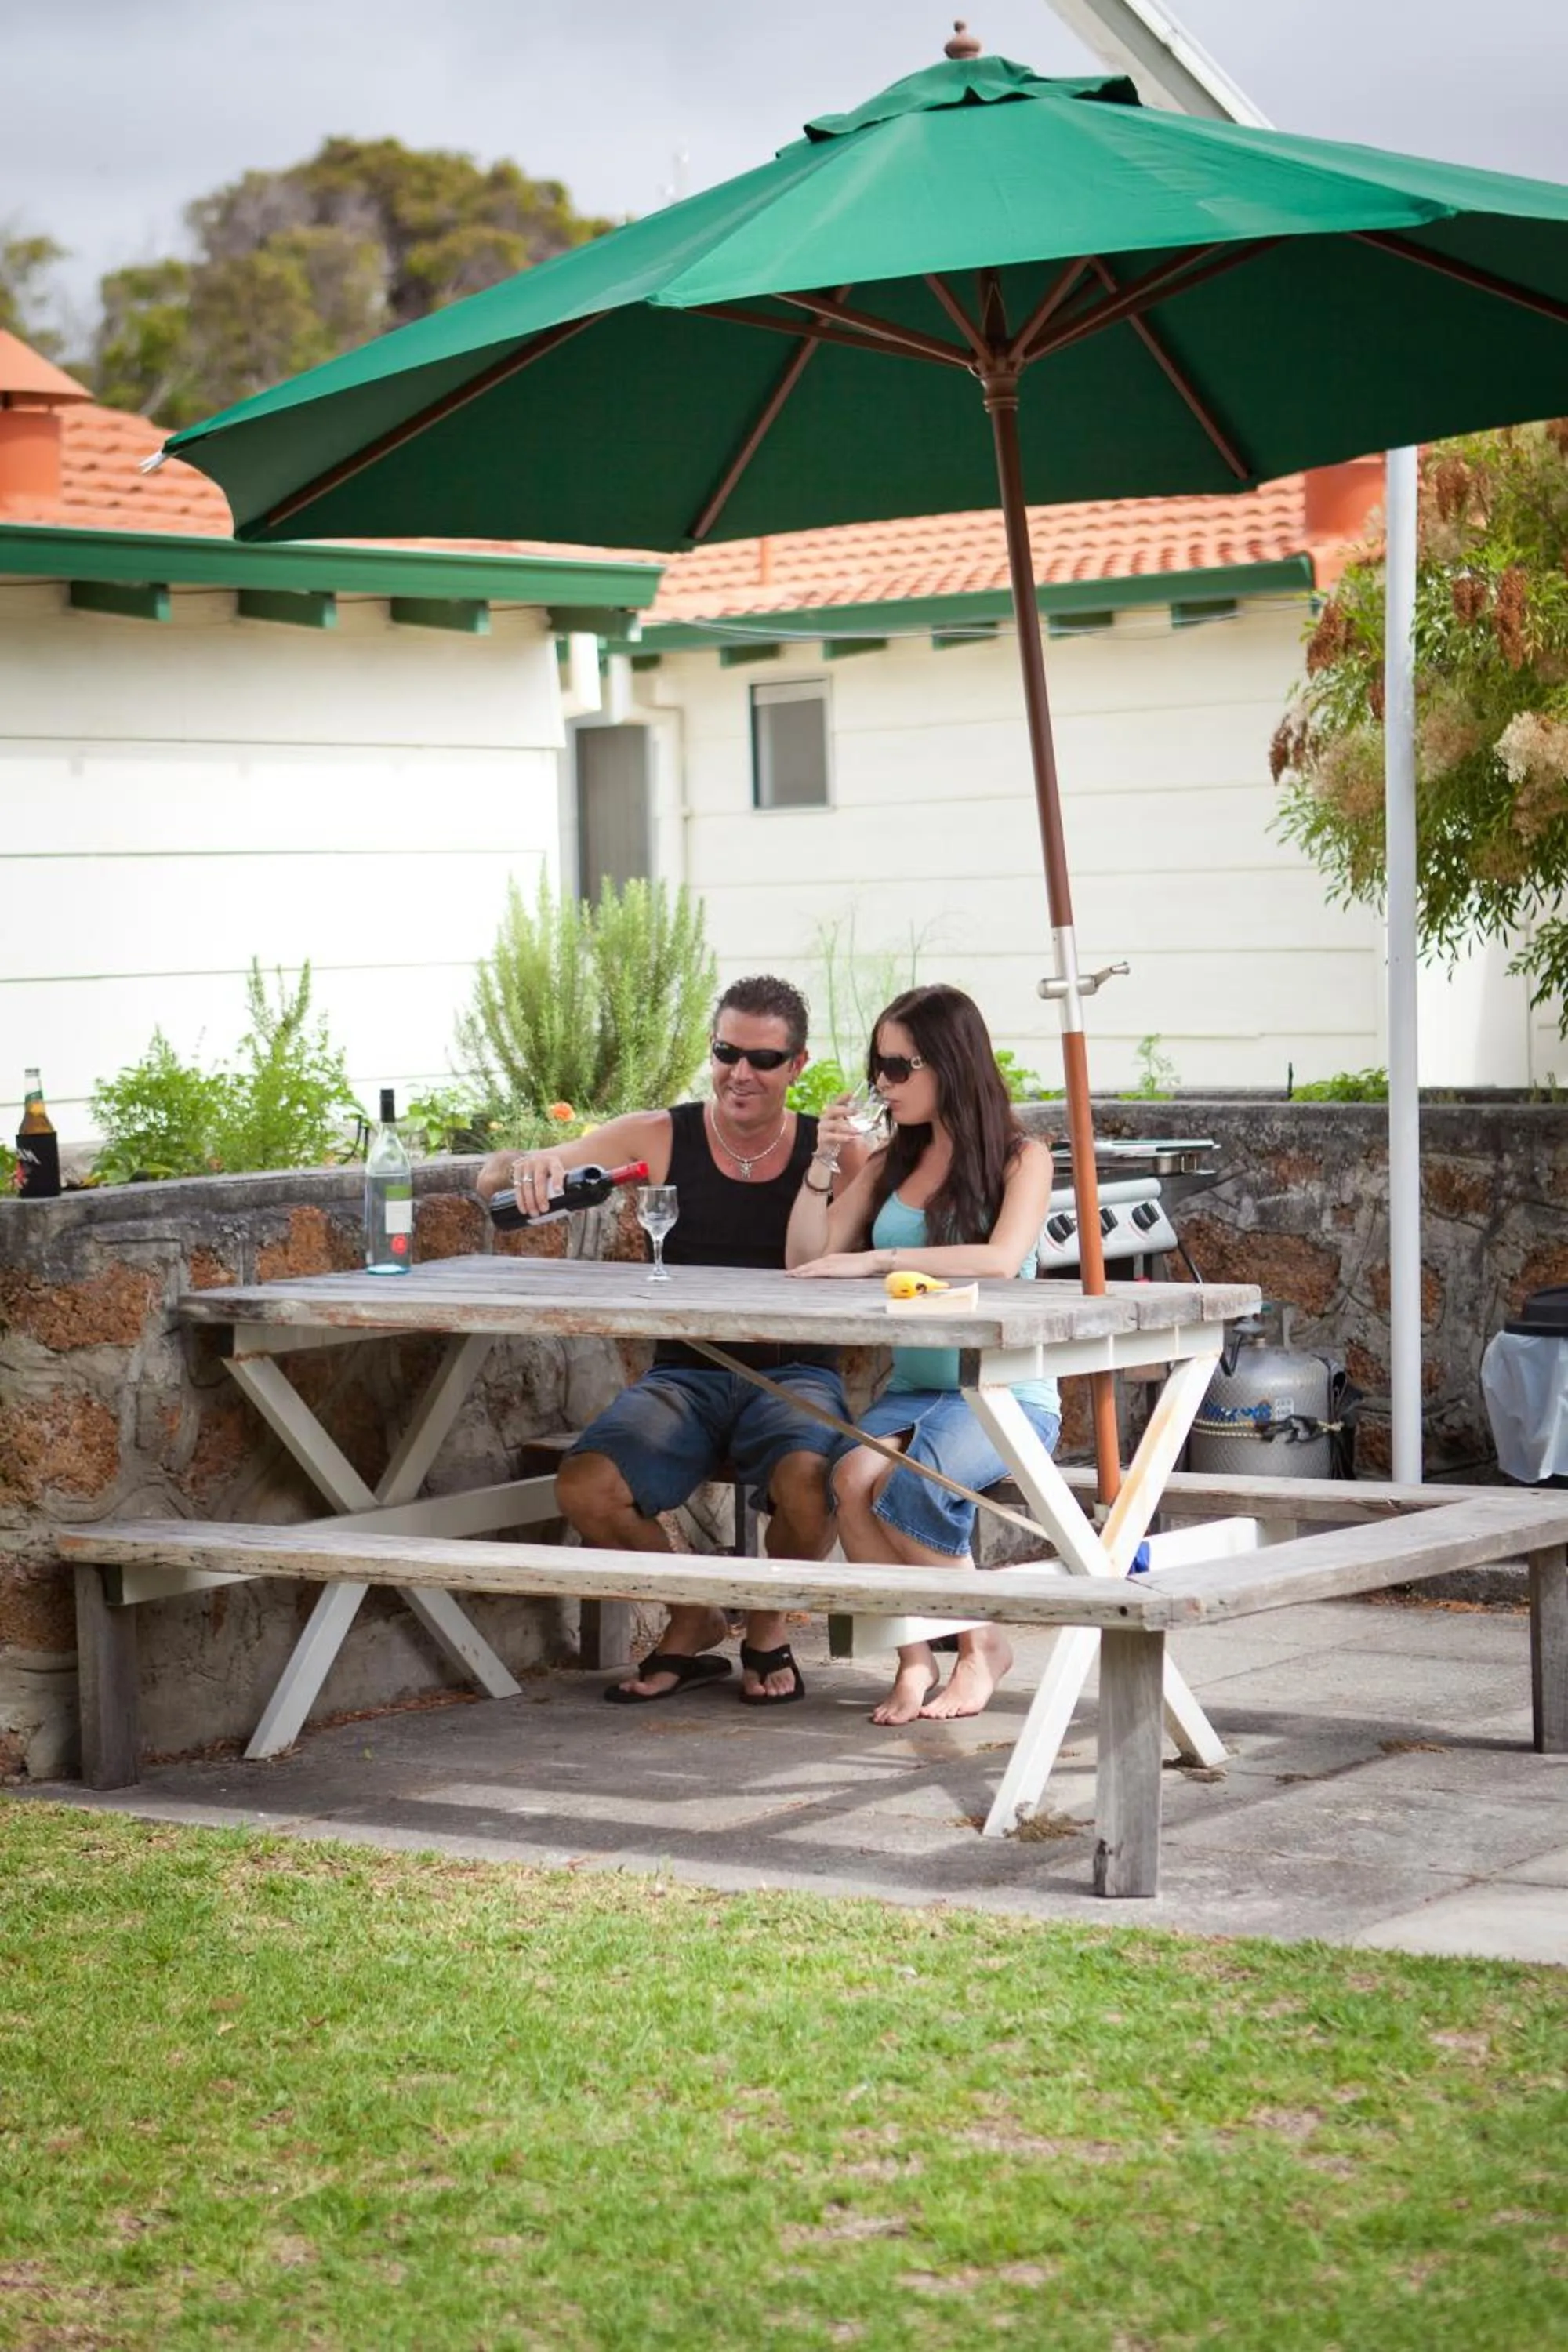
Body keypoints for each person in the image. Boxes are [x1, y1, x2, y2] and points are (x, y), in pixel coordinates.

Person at [477, 975, 858, 1706]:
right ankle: (694, 1614)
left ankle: (768, 1626)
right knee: (585, 1485)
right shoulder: (662, 1134)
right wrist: (521, 1167)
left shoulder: (834, 1149)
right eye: (725, 1051)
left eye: (764, 1060)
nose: (740, 1072)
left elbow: (901, 1228)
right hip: (688, 1373)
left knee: (813, 1480)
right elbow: (498, 1176)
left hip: (797, 1369)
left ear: (798, 1066)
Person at [786, 983, 1059, 1726]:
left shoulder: (1020, 1157)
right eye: (879, 1065)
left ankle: (982, 1647)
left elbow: (1003, 1259)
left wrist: (878, 1261)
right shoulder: (889, 1161)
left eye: (900, 1068)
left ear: (951, 1064)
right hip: (918, 1387)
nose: (883, 1083)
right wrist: (821, 1161)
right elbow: (807, 1256)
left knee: (907, 1494)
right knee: (852, 1477)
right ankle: (915, 1660)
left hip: (1003, 1390)